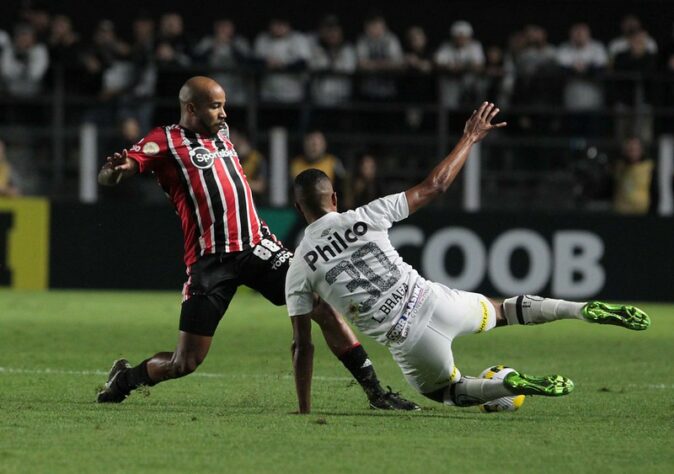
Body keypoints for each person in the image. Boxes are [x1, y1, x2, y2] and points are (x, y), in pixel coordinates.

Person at [285, 102, 650, 413]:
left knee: (446, 391)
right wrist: (470, 137)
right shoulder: (367, 214)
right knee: (506, 310)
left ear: (299, 208)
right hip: (436, 301)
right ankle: (580, 309)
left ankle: (508, 386)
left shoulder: (300, 265)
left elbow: (304, 344)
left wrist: (303, 409)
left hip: (410, 342)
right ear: (334, 199)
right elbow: (436, 186)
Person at [95, 76, 417, 411]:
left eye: (224, 105)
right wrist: (116, 171)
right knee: (186, 361)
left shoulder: (222, 133)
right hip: (211, 262)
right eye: (215, 105)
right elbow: (122, 168)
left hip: (257, 246)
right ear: (191, 108)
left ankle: (376, 392)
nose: (223, 113)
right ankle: (126, 379)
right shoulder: (165, 140)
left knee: (320, 304)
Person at [613, 136, 654, 214]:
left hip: (642, 212)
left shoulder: (648, 167)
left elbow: (654, 192)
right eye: (629, 149)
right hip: (621, 212)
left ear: (641, 150)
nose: (632, 153)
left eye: (635, 149)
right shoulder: (619, 167)